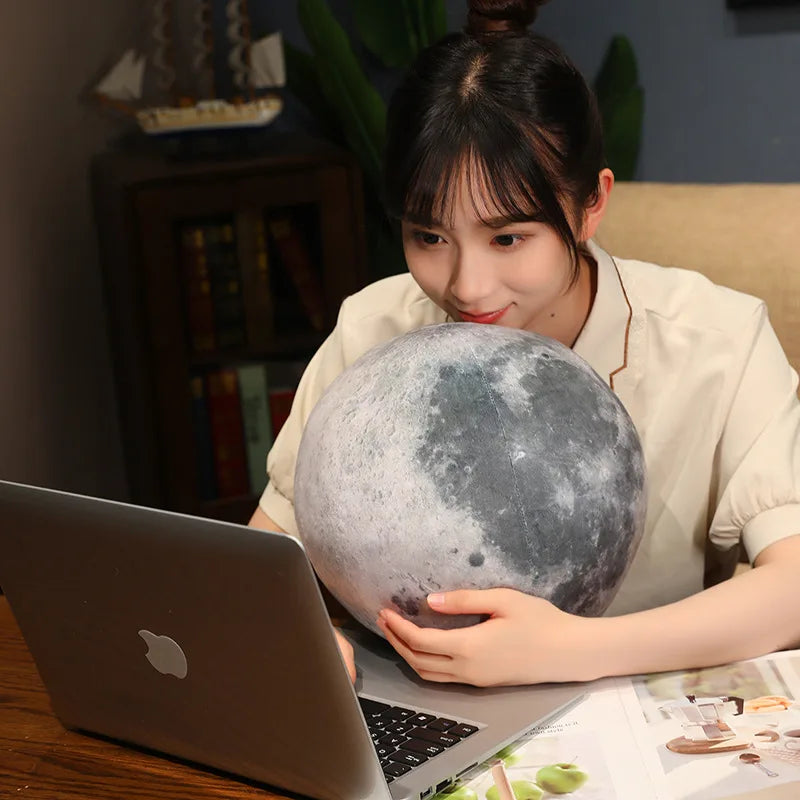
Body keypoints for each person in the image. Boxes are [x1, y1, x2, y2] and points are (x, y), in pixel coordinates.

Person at [250, 0, 800, 687]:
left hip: (633, 714)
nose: (467, 286)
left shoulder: (718, 342)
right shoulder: (374, 329)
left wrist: (573, 649)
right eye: (429, 236)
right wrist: (301, 635)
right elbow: (262, 560)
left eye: (508, 237)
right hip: (413, 704)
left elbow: (792, 587)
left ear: (590, 204)